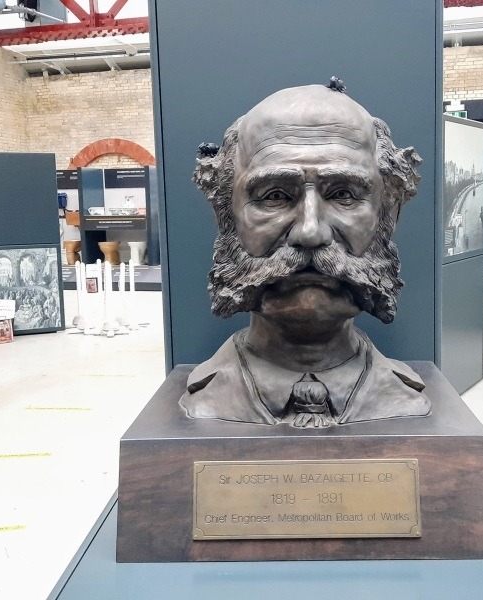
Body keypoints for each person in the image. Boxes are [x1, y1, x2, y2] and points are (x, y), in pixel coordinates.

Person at [180, 83, 431, 427]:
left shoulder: (402, 398)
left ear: (388, 212)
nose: (310, 232)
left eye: (344, 194)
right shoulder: (208, 399)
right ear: (226, 214)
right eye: (275, 196)